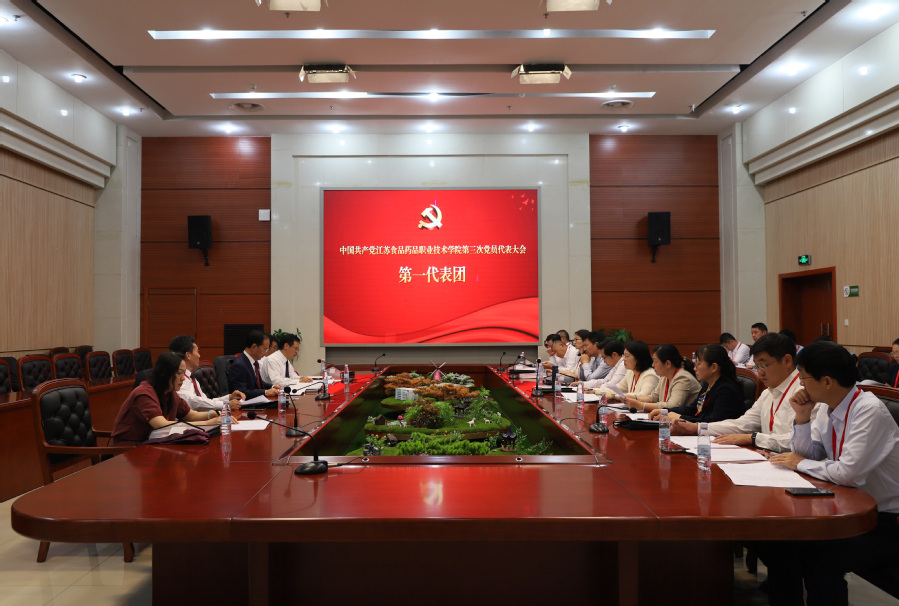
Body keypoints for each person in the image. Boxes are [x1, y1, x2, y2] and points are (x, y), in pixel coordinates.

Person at [757, 341, 899, 606]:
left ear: (826, 381)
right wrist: (802, 417)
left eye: (803, 378)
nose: (801, 385)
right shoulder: (826, 407)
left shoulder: (868, 411)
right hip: (844, 508)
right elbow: (810, 454)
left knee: (820, 559)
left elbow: (848, 473)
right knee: (780, 546)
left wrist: (799, 463)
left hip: (883, 521)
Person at [671, 333, 814, 452]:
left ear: (787, 361)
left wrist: (752, 438)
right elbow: (743, 424)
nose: (760, 373)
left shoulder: (805, 392)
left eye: (764, 365)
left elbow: (801, 442)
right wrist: (697, 428)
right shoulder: (768, 393)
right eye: (757, 366)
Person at [111, 352, 223, 446]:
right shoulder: (144, 394)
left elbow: (191, 415)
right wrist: (208, 423)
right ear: (165, 374)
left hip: (155, 445)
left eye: (184, 373)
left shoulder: (170, 393)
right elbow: (162, 425)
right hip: (129, 452)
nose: (183, 378)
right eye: (179, 373)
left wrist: (214, 414)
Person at [650, 344, 744, 424]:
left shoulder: (726, 390)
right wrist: (665, 411)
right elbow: (692, 410)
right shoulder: (708, 385)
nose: (695, 368)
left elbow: (712, 422)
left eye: (698, 364)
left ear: (714, 367)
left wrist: (681, 418)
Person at [169, 335, 244, 412]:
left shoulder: (191, 377)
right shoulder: (178, 379)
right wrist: (225, 405)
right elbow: (193, 402)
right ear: (188, 355)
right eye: (197, 351)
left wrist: (229, 397)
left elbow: (205, 402)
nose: (199, 355)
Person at [623, 344, 701, 412]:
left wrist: (641, 405)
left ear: (668, 364)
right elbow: (653, 398)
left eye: (655, 361)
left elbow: (673, 406)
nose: (653, 365)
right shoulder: (665, 376)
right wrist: (634, 398)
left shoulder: (683, 378)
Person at [228, 329, 280, 399]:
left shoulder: (253, 362)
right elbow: (241, 393)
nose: (265, 353)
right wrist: (265, 392)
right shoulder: (239, 365)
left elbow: (257, 383)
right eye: (265, 349)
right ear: (254, 347)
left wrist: (272, 386)